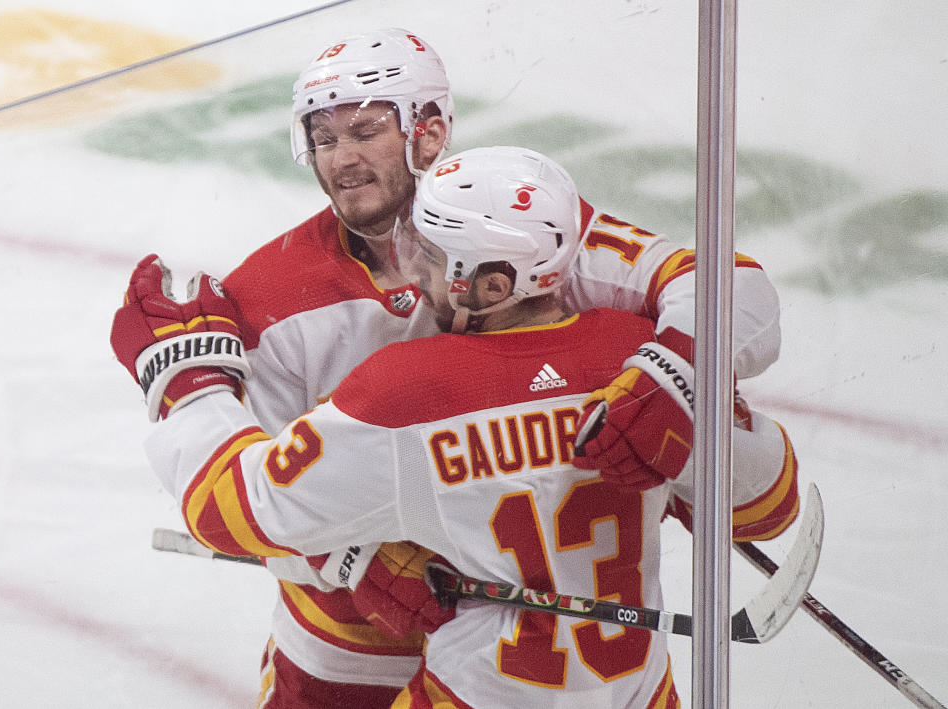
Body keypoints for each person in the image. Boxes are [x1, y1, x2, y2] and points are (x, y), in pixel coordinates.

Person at [142, 25, 786, 707]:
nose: (343, 160)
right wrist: (349, 558)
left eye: (363, 130)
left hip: (505, 650)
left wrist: (675, 377)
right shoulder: (273, 293)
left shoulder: (511, 221)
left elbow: (731, 289)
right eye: (325, 138)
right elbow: (256, 487)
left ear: (427, 130)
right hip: (348, 644)